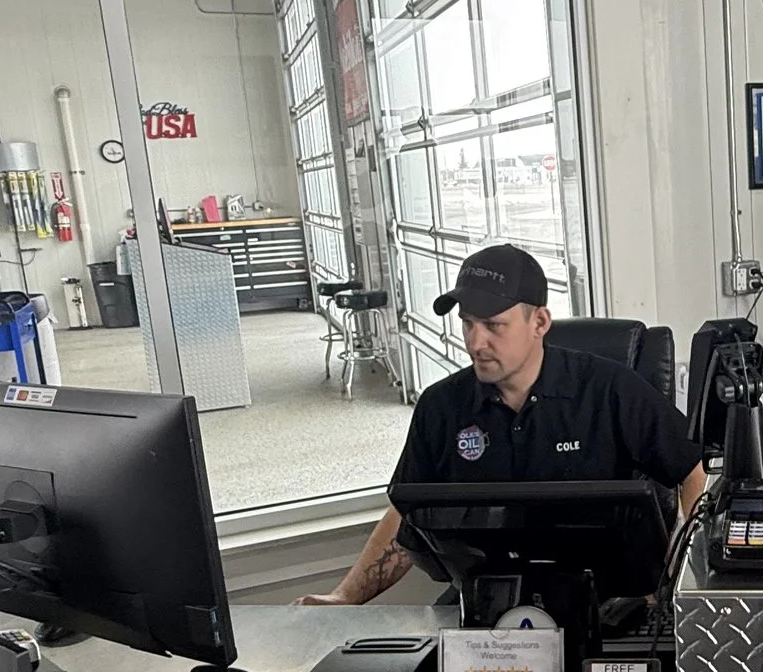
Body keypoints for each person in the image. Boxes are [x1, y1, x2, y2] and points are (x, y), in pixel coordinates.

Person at [301, 243, 708, 606]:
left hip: (609, 603)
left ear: (540, 322)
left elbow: (693, 470)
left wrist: (681, 579)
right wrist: (343, 597)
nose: (476, 343)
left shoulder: (609, 388)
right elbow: (409, 509)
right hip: (487, 601)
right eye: (468, 324)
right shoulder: (441, 407)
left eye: (494, 325)